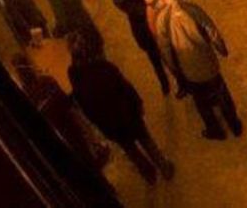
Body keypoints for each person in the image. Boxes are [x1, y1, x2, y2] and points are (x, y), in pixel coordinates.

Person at [67, 34, 175, 184]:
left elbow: (84, 103)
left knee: (130, 149)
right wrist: (138, 103)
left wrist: (98, 124)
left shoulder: (74, 74)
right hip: (127, 114)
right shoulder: (105, 67)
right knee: (145, 139)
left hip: (109, 123)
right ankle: (164, 167)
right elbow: (126, 88)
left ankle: (148, 174)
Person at [149, 0, 241, 139]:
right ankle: (235, 125)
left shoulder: (163, 19)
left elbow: (166, 50)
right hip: (209, 64)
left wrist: (175, 71)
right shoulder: (192, 9)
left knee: (202, 103)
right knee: (223, 96)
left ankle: (215, 131)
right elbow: (211, 30)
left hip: (189, 70)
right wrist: (222, 49)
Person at [105, 0, 171, 94]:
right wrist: (132, 7)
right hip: (139, 26)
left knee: (166, 52)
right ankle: (164, 82)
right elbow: (118, 1)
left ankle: (180, 80)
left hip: (149, 19)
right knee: (153, 56)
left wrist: (137, 7)